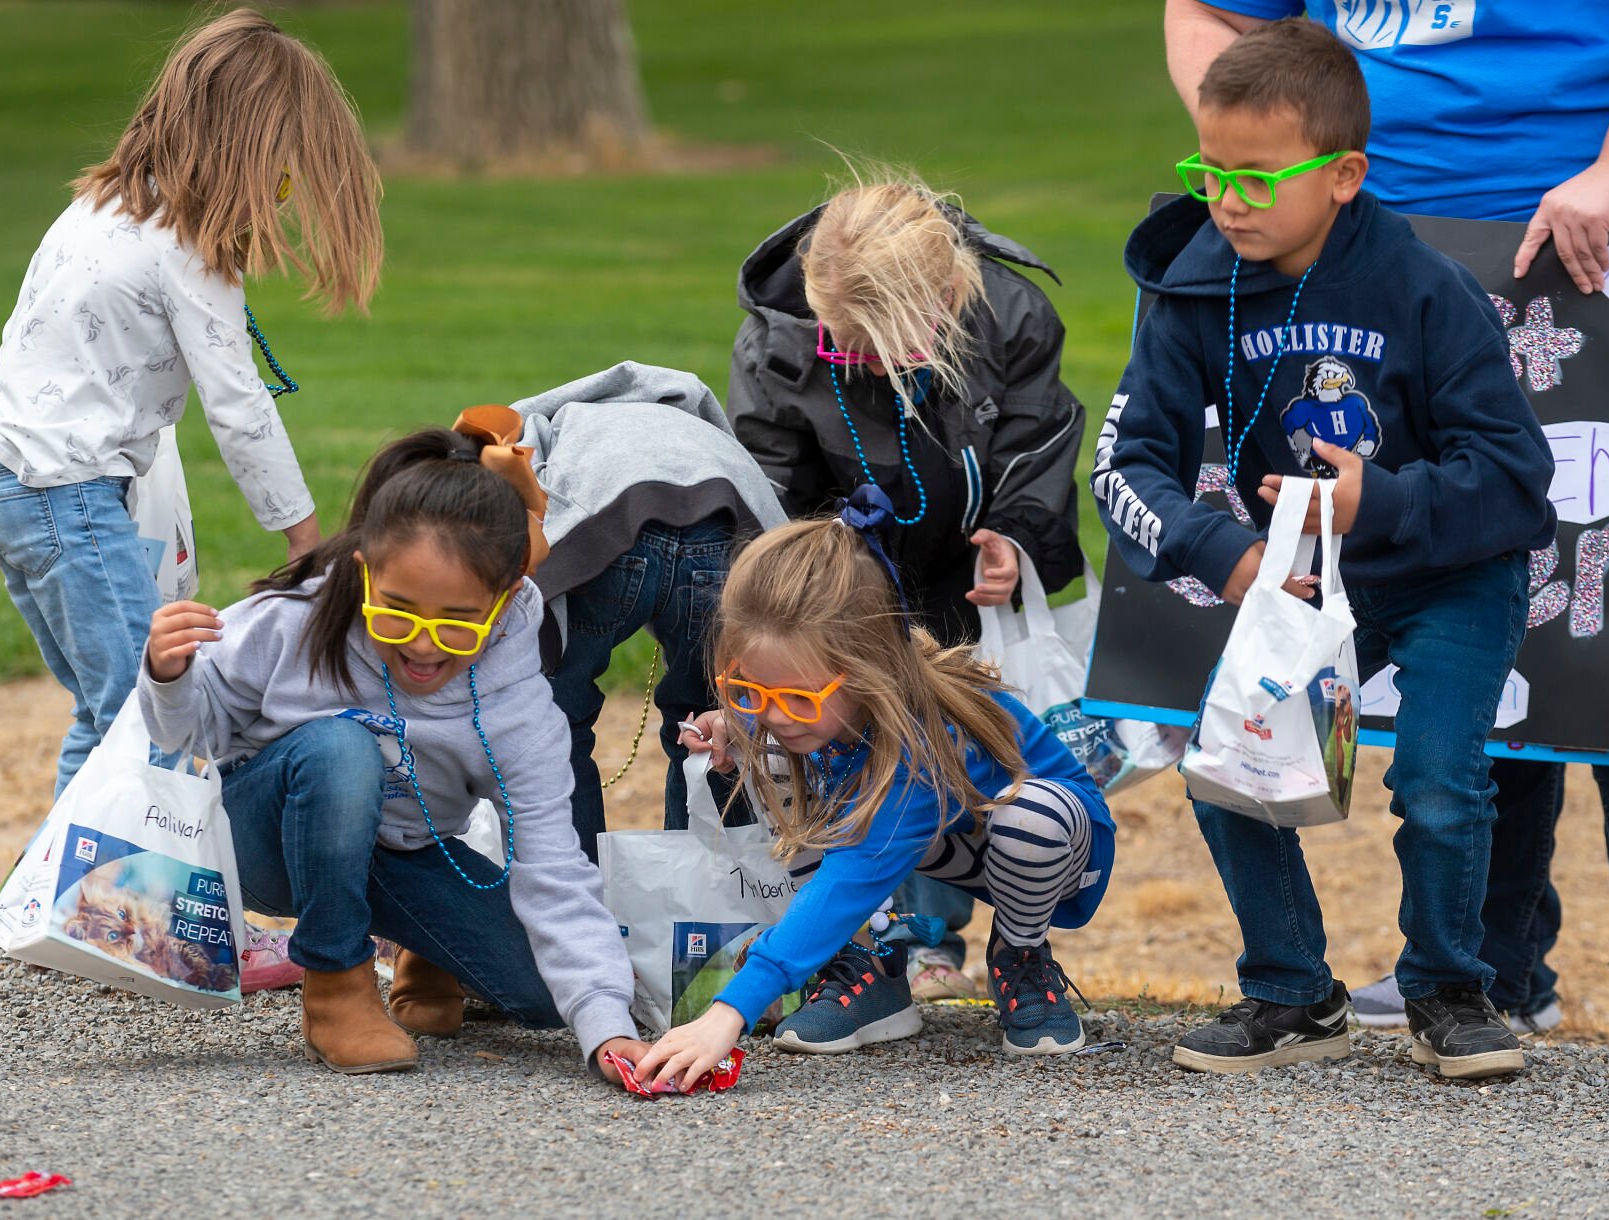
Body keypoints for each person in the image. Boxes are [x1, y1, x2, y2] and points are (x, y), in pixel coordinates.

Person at [1095, 21, 1555, 1078]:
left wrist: (1379, 497)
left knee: (1440, 779)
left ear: (1344, 174)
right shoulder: (1189, 288)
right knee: (1229, 771)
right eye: (1208, 171)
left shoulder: (1428, 290)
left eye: (1257, 177)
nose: (1228, 199)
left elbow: (1516, 480)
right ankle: (1290, 989)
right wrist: (1227, 555)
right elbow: (1123, 469)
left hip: (1448, 575)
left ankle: (1449, 985)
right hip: (1292, 576)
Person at [137, 428, 648, 1082]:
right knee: (343, 748)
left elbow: (552, 867)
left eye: (457, 622)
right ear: (365, 576)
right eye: (396, 614)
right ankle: (336, 984)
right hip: (268, 838)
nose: (424, 647)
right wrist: (168, 677)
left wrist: (607, 1028)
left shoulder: (519, 706)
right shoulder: (294, 618)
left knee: (546, 996)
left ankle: (420, 949)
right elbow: (188, 739)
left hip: (401, 853)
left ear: (502, 605)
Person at [0, 8, 382, 797]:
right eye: (283, 176)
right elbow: (240, 408)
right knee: (147, 712)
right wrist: (303, 541)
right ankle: (109, 907)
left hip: (0, 474)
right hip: (66, 494)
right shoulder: (188, 251)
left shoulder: (101, 204)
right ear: (244, 157)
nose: (284, 200)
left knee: (105, 711)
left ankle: (57, 900)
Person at [728, 172, 1088, 1000]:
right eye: (839, 343)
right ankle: (862, 938)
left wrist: (1018, 533)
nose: (855, 361)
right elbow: (772, 483)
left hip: (962, 563)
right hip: (841, 579)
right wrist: (816, 573)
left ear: (950, 298)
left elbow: (1038, 437)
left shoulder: (1013, 316)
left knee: (950, 740)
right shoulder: (777, 344)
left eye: (882, 346)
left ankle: (936, 937)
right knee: (844, 730)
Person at [629, 500, 1116, 1089]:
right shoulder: (802, 701)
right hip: (942, 842)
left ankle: (1020, 955)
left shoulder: (926, 741)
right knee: (779, 753)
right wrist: (734, 722)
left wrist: (727, 1014)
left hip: (1046, 853)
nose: (777, 714)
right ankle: (872, 969)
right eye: (751, 689)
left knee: (1034, 816)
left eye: (799, 699)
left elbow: (853, 874)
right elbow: (776, 714)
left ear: (868, 670)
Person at [498, 362, 786, 862]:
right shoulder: (703, 432)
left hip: (608, 535)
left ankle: (574, 900)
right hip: (719, 531)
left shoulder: (556, 421)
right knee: (714, 726)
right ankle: (708, 906)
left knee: (557, 724)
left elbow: (522, 508)